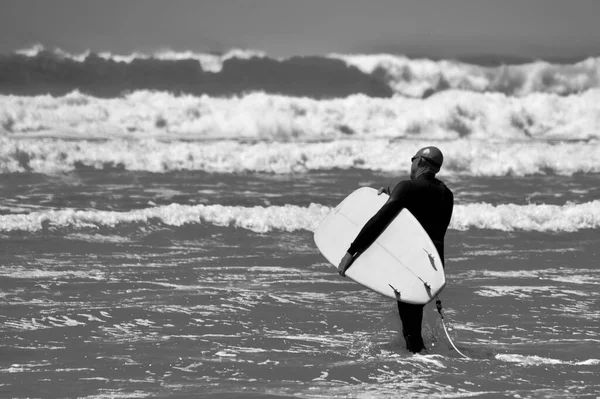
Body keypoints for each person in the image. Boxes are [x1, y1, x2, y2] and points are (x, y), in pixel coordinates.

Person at [337, 146, 454, 353]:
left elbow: (379, 221)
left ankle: (419, 366)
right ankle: (423, 360)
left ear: (419, 162)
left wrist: (351, 251)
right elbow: (424, 218)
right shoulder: (446, 195)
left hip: (407, 264)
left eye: (413, 159)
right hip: (432, 267)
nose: (411, 163)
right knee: (412, 320)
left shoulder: (407, 188)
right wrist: (396, 196)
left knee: (410, 328)